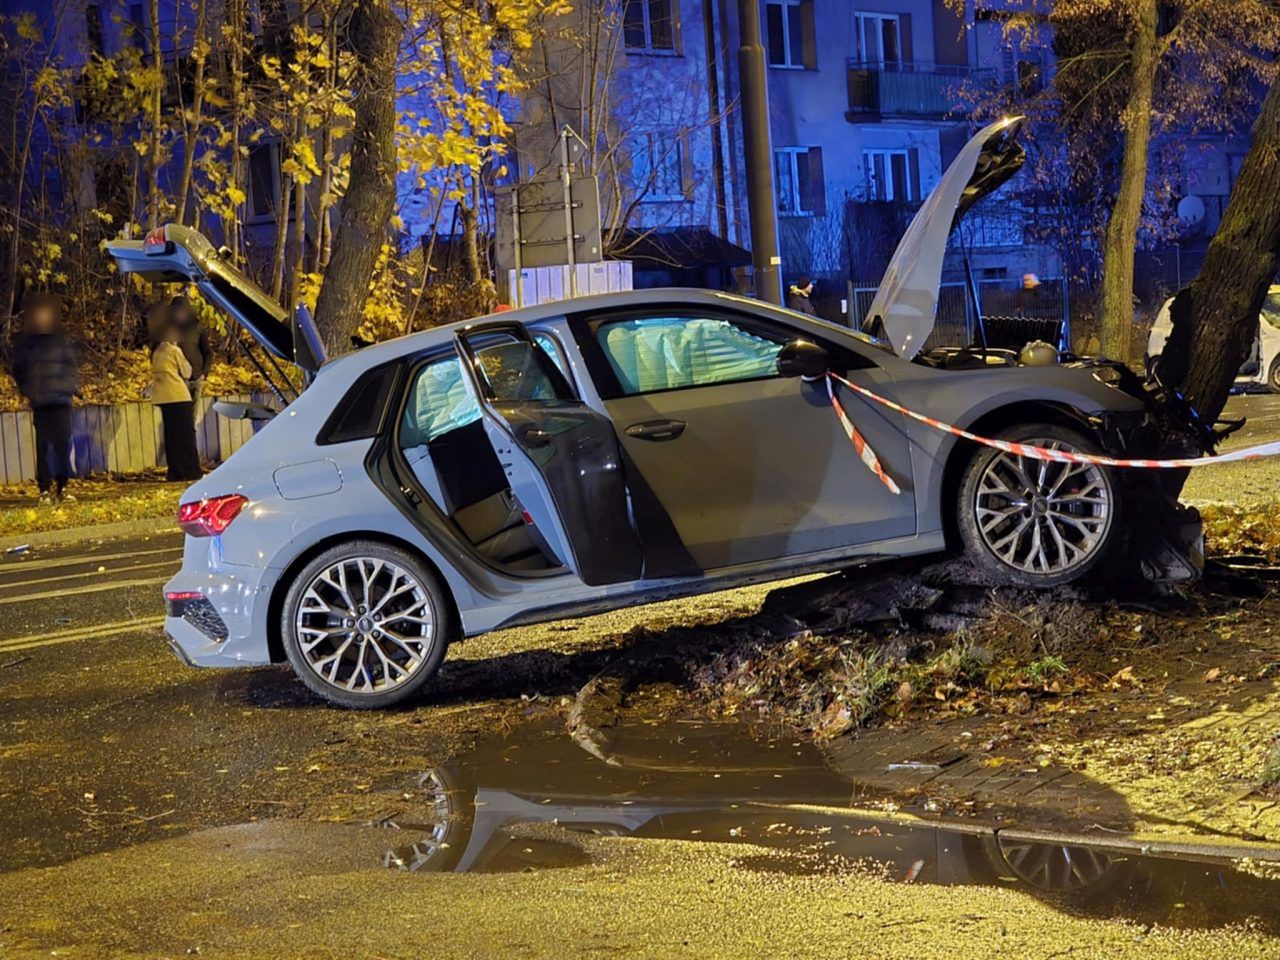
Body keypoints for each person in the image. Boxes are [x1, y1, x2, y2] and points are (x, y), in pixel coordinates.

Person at [10, 294, 78, 505]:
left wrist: (69, 389)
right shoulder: (27, 342)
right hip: (42, 402)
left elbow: (70, 365)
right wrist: (28, 391)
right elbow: (18, 367)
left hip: (60, 400)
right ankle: (44, 489)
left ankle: (62, 486)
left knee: (62, 446)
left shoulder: (60, 339)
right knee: (44, 447)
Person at [150, 322, 202, 482]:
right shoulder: (174, 351)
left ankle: (175, 471)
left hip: (163, 398)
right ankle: (191, 470)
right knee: (185, 435)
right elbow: (187, 372)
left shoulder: (156, 352)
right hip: (178, 396)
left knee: (171, 436)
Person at [168, 296, 212, 419]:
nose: (180, 314)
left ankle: (191, 435)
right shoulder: (169, 330)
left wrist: (205, 371)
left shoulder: (197, 327)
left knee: (192, 417)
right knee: (181, 416)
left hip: (197, 378)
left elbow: (207, 351)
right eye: (177, 311)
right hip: (179, 380)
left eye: (182, 311)